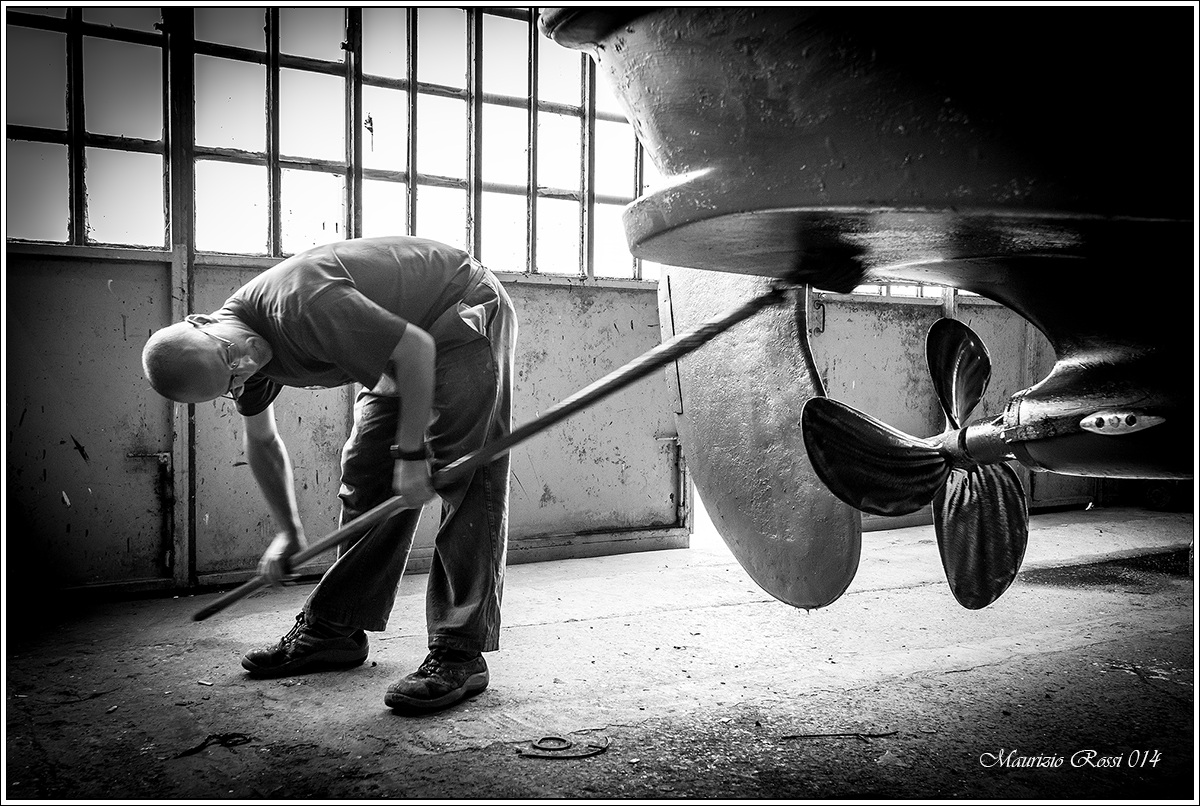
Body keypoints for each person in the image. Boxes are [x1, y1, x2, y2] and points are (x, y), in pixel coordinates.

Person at [142, 235, 517, 713]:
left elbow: (416, 350)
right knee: (366, 472)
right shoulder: (235, 363)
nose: (246, 365)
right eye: (232, 381)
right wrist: (287, 532)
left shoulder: (300, 305)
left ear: (202, 321)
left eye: (228, 358)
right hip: (401, 346)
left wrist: (411, 454)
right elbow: (260, 441)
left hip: (457, 308)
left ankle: (460, 651)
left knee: (462, 472)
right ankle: (336, 627)